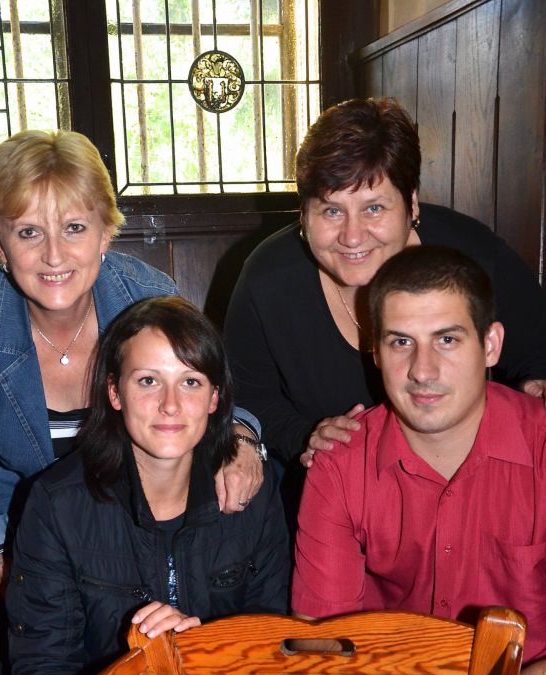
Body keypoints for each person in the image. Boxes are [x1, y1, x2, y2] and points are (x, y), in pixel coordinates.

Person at [0, 129, 263, 675]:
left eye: (75, 228)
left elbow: (208, 391)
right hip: (12, 526)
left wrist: (243, 437)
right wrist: (3, 565)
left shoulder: (150, 299)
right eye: (28, 232)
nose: (54, 254)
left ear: (107, 231)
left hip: (133, 523)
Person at [291, 245, 546, 675]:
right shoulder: (340, 463)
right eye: (401, 342)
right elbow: (322, 643)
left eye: (448, 340)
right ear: (374, 351)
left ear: (491, 345)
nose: (422, 371)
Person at [5, 295, 289, 675]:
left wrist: (197, 652)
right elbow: (44, 664)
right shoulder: (57, 503)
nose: (170, 405)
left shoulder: (251, 493)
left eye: (190, 382)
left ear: (215, 398)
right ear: (114, 392)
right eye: (148, 381)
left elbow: (272, 639)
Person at [224, 97, 546, 482]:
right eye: (331, 210)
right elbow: (248, 395)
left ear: (412, 204)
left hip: (468, 475)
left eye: (374, 208)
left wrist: (535, 385)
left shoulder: (474, 256)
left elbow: (537, 347)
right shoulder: (267, 281)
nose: (352, 236)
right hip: (330, 480)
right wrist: (306, 436)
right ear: (303, 215)